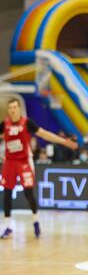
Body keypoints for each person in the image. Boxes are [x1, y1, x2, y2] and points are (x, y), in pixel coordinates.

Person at [0, 98, 77, 238]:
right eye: (10, 107)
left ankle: (35, 220)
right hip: (10, 161)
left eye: (15, 107)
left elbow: (45, 134)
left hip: (24, 161)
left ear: (19, 109)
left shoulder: (27, 123)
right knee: (7, 193)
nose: (12, 110)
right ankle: (8, 226)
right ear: (8, 110)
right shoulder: (4, 124)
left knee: (28, 193)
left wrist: (64, 141)